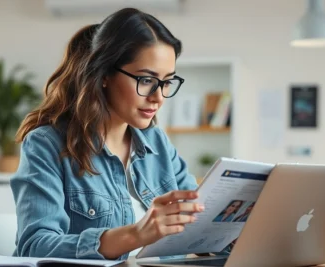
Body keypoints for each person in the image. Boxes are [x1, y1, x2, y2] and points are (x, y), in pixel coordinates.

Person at [10, 8, 204, 260]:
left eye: (166, 82)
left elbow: (199, 224)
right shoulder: (46, 144)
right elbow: (35, 246)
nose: (158, 97)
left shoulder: (157, 143)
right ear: (104, 75)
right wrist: (135, 235)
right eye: (146, 80)